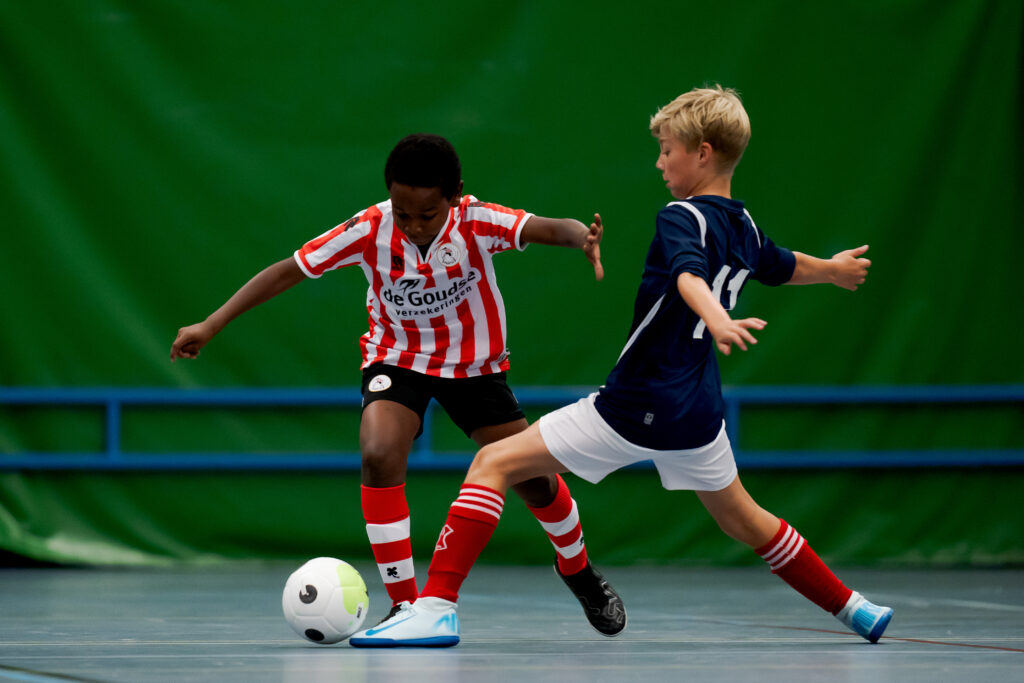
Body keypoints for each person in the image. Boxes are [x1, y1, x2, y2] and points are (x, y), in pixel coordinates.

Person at [350, 87, 892, 648]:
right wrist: (831, 270)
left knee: (492, 461)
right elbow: (780, 266)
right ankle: (855, 608)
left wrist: (716, 317)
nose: (660, 162)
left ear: (703, 153)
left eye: (667, 150)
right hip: (698, 411)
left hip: (638, 402)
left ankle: (435, 608)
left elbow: (688, 275)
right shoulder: (744, 226)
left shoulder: (682, 216)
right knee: (746, 520)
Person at [169, 133, 626, 636]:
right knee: (379, 452)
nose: (413, 226)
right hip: (397, 358)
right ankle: (405, 604)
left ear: (455, 195)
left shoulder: (476, 222)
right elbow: (288, 271)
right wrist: (212, 323)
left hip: (473, 367)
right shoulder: (370, 228)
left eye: (426, 215)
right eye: (403, 213)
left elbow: (547, 228)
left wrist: (582, 238)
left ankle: (577, 569)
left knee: (534, 479)